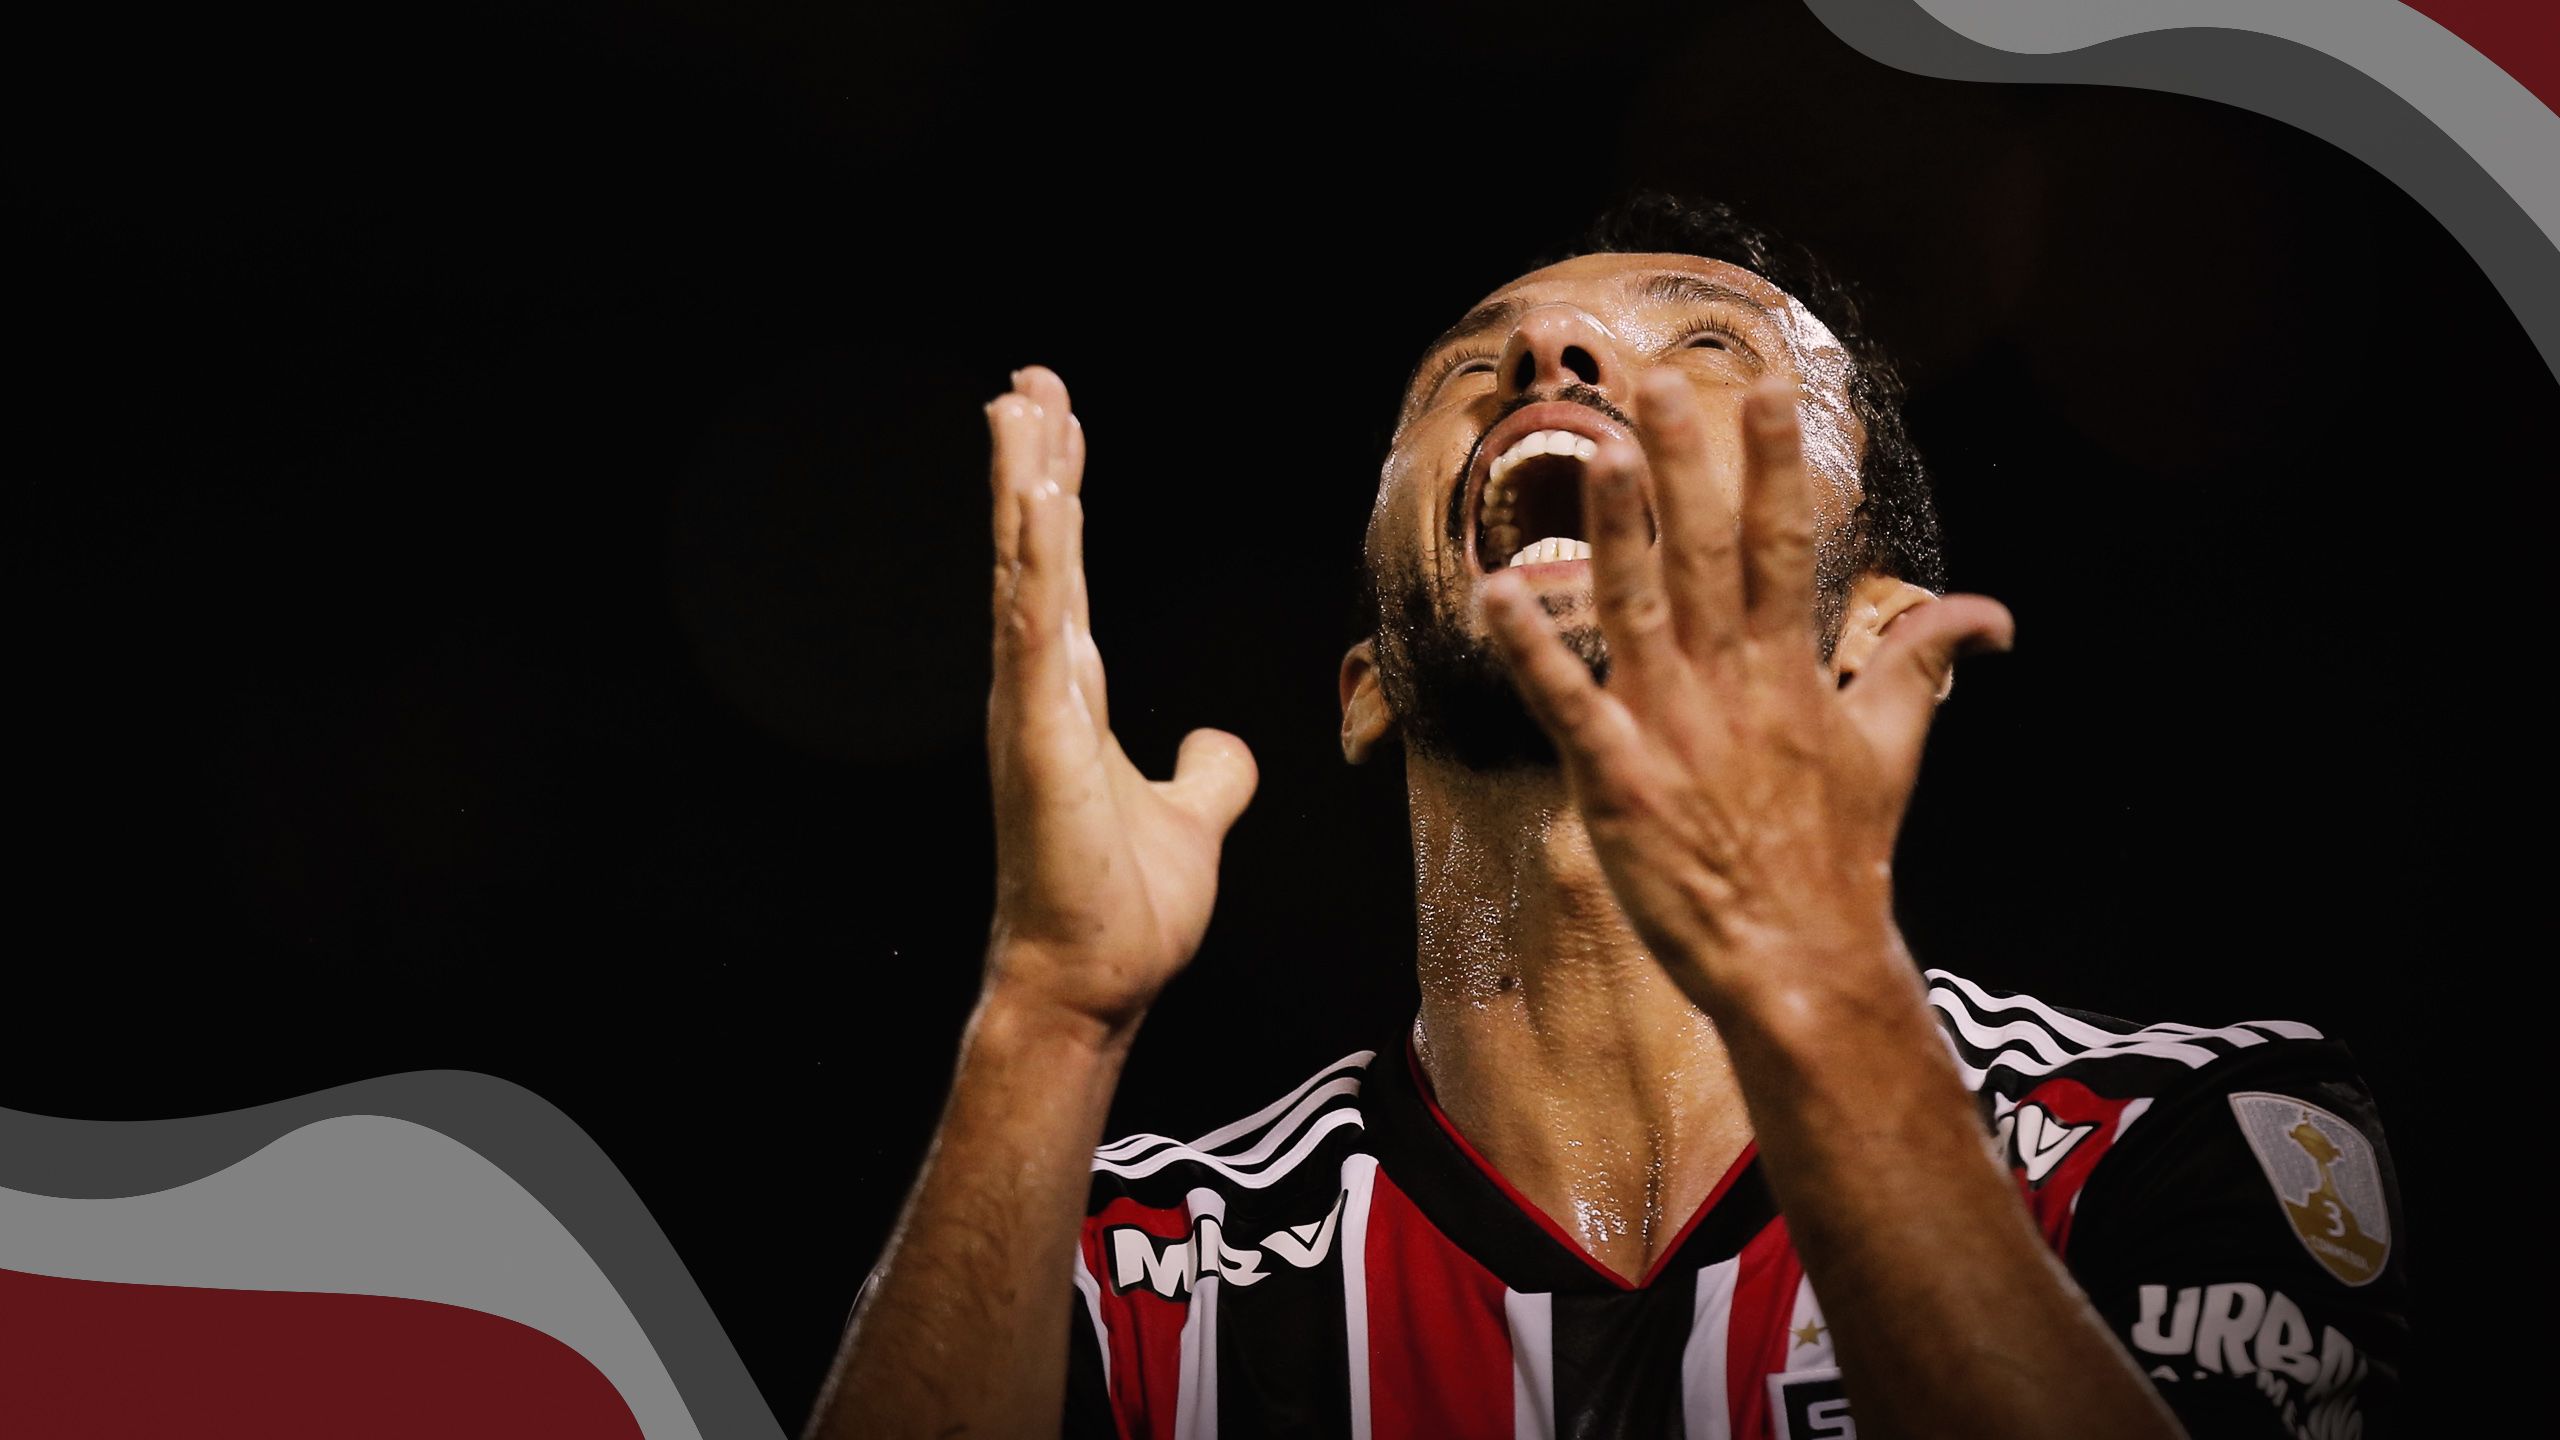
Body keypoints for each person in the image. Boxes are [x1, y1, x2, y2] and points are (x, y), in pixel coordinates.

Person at [805, 194, 2406, 1440]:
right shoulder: (1124, 1275)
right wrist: (1050, 1015)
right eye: (1469, 367)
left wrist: (1813, 990)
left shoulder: (2160, 1140)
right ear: (1364, 689)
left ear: (1872, 638)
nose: (1552, 356)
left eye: (1703, 347)